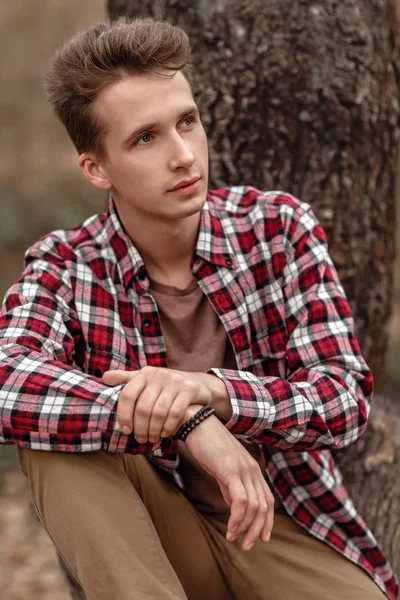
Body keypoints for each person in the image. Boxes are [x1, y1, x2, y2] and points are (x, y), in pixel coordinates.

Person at [0, 17, 397, 600]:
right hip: (150, 537)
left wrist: (210, 392)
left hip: (277, 523)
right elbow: (6, 377)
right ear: (96, 168)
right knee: (48, 437)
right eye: (146, 138)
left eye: (187, 122)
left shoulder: (278, 228)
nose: (185, 156)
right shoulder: (66, 265)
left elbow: (343, 399)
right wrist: (190, 424)